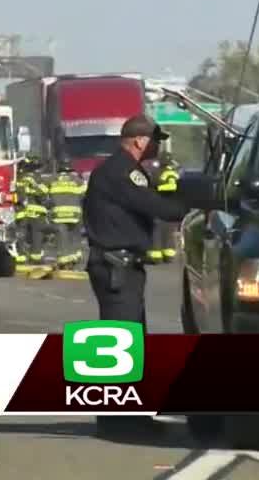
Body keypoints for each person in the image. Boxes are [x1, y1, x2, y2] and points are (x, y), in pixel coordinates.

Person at [82, 114, 188, 438]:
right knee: (118, 341)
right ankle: (118, 420)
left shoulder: (119, 169)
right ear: (140, 141)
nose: (158, 146)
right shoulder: (122, 171)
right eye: (156, 140)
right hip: (117, 266)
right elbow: (154, 205)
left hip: (121, 265)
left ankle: (128, 414)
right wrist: (192, 203)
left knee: (128, 340)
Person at [45, 153, 87, 267]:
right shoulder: (77, 180)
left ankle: (64, 259)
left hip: (59, 215)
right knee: (75, 236)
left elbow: (44, 195)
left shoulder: (52, 179)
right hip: (74, 214)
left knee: (62, 237)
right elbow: (84, 196)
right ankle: (75, 256)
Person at [13, 156, 48, 264]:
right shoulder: (37, 179)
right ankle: (36, 257)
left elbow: (17, 196)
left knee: (20, 235)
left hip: (21, 213)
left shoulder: (17, 178)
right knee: (36, 234)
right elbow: (43, 194)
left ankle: (20, 257)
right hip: (36, 213)